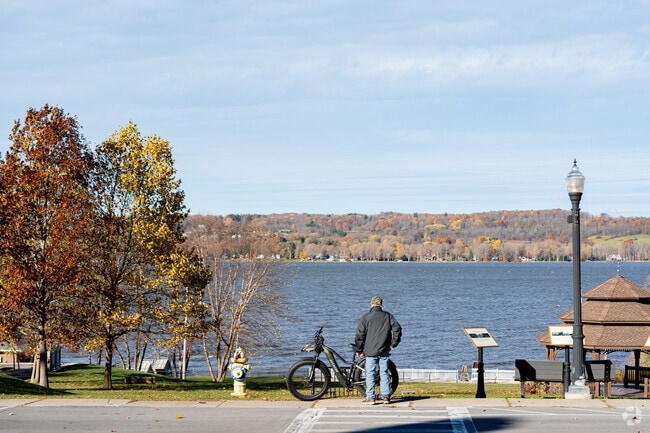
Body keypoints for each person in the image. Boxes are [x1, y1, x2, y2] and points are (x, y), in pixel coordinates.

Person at [355, 296, 402, 405]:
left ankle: (371, 397)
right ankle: (386, 396)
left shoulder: (365, 318)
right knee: (384, 372)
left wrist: (359, 349)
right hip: (384, 349)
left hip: (370, 351)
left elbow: (359, 335)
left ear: (371, 305)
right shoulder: (388, 316)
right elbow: (397, 329)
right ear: (381, 305)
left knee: (370, 373)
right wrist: (393, 343)